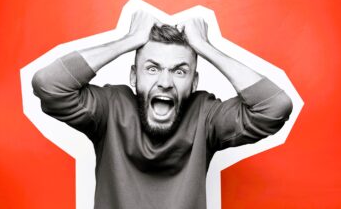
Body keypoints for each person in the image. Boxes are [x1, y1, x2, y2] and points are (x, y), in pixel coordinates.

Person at [32, 11, 293, 209]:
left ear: (194, 82)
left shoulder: (205, 116)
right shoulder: (110, 108)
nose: (165, 83)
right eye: (152, 68)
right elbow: (49, 85)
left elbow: (274, 108)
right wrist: (129, 40)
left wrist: (206, 48)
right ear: (134, 77)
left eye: (180, 71)